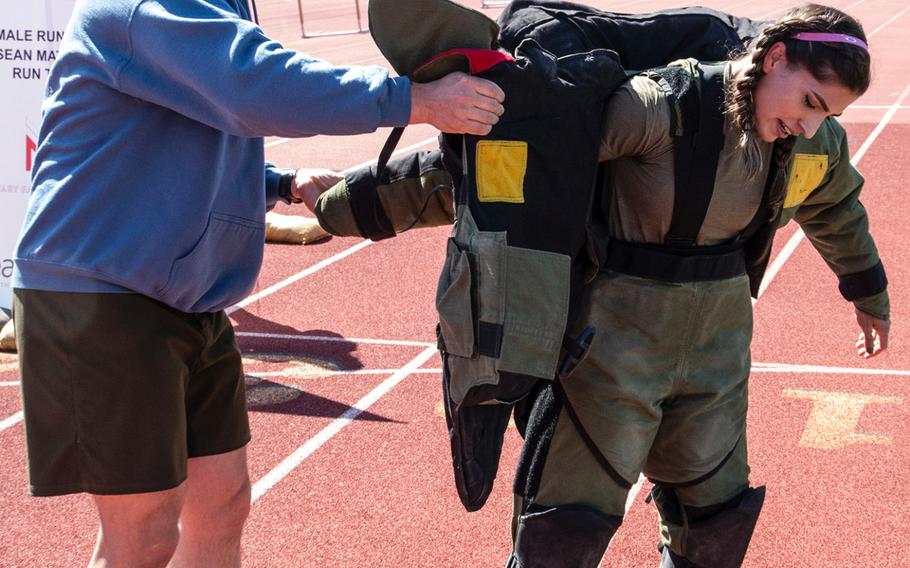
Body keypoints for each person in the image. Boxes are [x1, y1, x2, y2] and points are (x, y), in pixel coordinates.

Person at [311, 4, 890, 566]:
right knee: (563, 533)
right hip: (609, 353)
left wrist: (869, 295)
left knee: (716, 526)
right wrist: (347, 203)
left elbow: (836, 208)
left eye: (828, 116)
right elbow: (515, 159)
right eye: (810, 101)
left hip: (719, 355)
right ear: (775, 57)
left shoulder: (813, 142)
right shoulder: (660, 108)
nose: (810, 125)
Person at [11, 0, 504, 566]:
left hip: (185, 296)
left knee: (222, 504)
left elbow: (188, 125)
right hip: (100, 292)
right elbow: (252, 83)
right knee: (143, 533)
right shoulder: (141, 7)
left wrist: (280, 182)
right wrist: (414, 101)